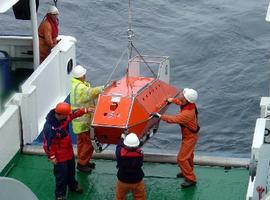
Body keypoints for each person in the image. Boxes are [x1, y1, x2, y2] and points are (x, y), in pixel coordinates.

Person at [42, 102, 93, 200]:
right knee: (61, 175)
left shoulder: (63, 118)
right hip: (59, 156)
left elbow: (73, 115)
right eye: (66, 114)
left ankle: (73, 186)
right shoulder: (49, 128)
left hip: (68, 152)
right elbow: (48, 144)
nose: (68, 116)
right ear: (60, 114)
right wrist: (52, 157)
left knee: (71, 171)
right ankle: (60, 194)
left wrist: (85, 110)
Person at [152, 88, 200, 189]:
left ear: (186, 99)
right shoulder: (188, 104)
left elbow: (174, 119)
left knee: (181, 159)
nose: (181, 93)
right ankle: (187, 171)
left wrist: (159, 116)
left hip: (190, 137)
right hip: (189, 135)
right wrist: (172, 100)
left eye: (183, 94)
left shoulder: (187, 113)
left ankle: (191, 179)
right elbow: (180, 102)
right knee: (189, 156)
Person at [70, 65, 104, 173]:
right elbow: (91, 93)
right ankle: (82, 164)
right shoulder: (80, 88)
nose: (85, 76)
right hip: (83, 122)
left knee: (82, 143)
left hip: (79, 121)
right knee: (88, 144)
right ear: (81, 76)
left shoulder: (75, 85)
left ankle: (84, 161)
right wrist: (104, 87)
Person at [115, 133, 146, 200]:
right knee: (140, 197)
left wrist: (122, 138)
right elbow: (138, 147)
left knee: (120, 197)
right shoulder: (140, 154)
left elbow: (118, 146)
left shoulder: (119, 153)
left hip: (123, 180)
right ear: (137, 145)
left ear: (125, 145)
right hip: (137, 180)